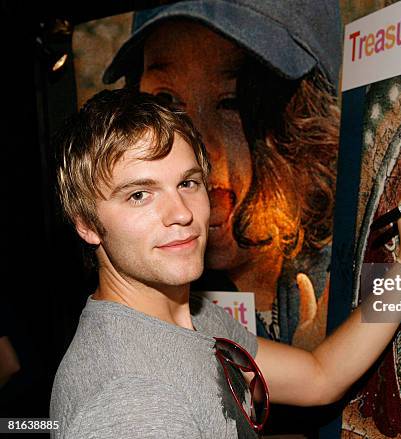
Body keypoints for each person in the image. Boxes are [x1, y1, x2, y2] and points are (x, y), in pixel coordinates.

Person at [50, 88, 401, 437]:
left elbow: (319, 376)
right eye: (139, 194)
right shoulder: (130, 405)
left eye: (188, 183)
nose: (181, 213)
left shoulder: (188, 314)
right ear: (87, 223)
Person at [101, 0, 341, 349]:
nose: (195, 148)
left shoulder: (376, 266)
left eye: (231, 102)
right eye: (167, 102)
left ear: (308, 122)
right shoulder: (136, 301)